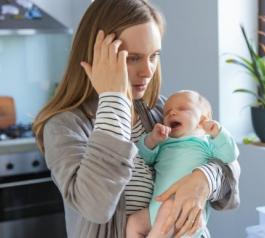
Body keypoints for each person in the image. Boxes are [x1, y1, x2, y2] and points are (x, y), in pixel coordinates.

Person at [32, 1, 241, 238]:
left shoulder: (160, 111)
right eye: (133, 58)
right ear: (96, 57)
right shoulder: (65, 127)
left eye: (154, 56)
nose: (148, 71)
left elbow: (229, 179)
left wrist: (203, 179)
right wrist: (113, 99)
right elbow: (95, 206)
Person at [126, 90, 239, 238]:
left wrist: (219, 133)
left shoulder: (207, 142)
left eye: (182, 109)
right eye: (166, 112)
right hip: (154, 211)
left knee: (168, 207)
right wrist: (152, 140)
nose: (171, 113)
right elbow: (144, 158)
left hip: (184, 213)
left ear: (203, 119)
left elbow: (229, 157)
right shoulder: (164, 142)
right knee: (134, 222)